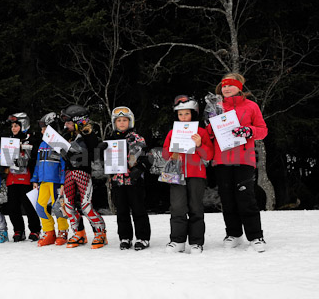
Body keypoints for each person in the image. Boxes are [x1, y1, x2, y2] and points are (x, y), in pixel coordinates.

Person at [206, 73, 268, 252]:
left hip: (244, 159)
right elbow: (208, 133)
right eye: (223, 86)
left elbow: (263, 131)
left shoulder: (251, 106)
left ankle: (256, 236)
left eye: (230, 85)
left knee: (246, 198)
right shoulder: (216, 107)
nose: (226, 88)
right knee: (227, 199)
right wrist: (211, 126)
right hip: (221, 159)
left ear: (239, 87)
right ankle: (233, 234)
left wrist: (248, 131)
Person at [162, 96, 214, 254]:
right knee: (177, 207)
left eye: (186, 114)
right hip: (176, 174)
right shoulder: (173, 132)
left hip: (196, 174)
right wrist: (172, 151)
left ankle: (196, 242)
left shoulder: (201, 132)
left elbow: (209, 155)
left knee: (195, 207)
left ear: (193, 113)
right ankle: (177, 241)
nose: (183, 117)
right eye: (180, 114)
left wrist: (199, 145)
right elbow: (165, 153)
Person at [59, 105, 107, 249]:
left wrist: (93, 152)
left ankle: (100, 233)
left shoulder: (89, 134)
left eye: (68, 122)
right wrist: (63, 153)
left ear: (78, 121)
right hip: (69, 172)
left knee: (86, 206)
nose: (66, 125)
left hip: (83, 173)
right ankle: (79, 233)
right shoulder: (66, 135)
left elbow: (94, 154)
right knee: (67, 205)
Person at [107, 106, 151, 250]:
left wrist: (139, 169)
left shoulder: (137, 138)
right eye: (119, 120)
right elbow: (105, 161)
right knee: (122, 211)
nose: (121, 123)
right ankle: (125, 237)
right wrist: (102, 152)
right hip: (118, 181)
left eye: (124, 120)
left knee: (138, 210)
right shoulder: (110, 140)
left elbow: (147, 158)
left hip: (134, 181)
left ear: (130, 121)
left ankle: (143, 237)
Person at [31, 112, 69, 247]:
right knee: (40, 207)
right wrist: (35, 179)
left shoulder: (60, 143)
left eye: (44, 128)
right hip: (43, 181)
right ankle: (49, 232)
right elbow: (38, 163)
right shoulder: (42, 145)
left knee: (58, 208)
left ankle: (63, 231)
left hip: (56, 181)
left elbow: (65, 164)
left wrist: (64, 181)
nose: (41, 131)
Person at [4, 113, 41, 242]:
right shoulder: (8, 140)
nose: (13, 128)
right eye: (12, 126)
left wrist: (23, 147)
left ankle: (35, 230)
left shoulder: (32, 139)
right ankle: (18, 230)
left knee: (29, 206)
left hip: (27, 178)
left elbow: (35, 157)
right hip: (12, 178)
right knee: (13, 207)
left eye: (16, 126)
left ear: (23, 125)